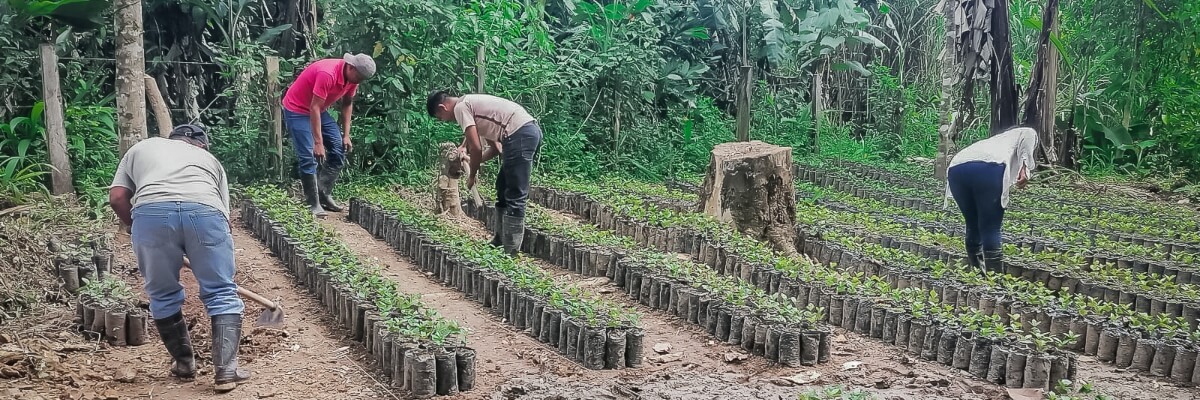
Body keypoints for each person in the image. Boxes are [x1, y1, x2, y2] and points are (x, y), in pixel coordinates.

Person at [108, 124, 249, 393]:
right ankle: (226, 372)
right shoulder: (211, 161)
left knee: (161, 294)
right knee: (221, 291)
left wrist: (135, 226)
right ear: (201, 145)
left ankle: (184, 364)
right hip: (205, 211)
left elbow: (117, 198)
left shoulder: (141, 147)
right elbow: (224, 219)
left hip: (151, 214)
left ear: (171, 139)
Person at [426, 91, 543, 254]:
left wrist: (472, 176)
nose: (443, 121)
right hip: (524, 132)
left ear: (442, 107)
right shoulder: (472, 107)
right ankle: (500, 240)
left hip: (519, 134)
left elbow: (477, 148)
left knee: (515, 193)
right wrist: (471, 158)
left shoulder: (461, 107)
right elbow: (495, 149)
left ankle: (511, 251)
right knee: (502, 186)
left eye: (440, 117)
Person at [282, 53, 376, 216]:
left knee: (339, 147)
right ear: (351, 67)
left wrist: (346, 135)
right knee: (308, 156)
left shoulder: (352, 78)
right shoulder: (328, 74)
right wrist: (318, 143)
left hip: (318, 109)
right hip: (297, 109)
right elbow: (314, 108)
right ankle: (312, 203)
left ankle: (323, 193)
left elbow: (347, 104)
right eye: (359, 77)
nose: (359, 82)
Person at [944, 127, 1038, 274]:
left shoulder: (993, 142)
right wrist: (1024, 168)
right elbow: (1029, 134)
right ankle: (995, 282)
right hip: (989, 167)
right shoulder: (1024, 132)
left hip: (956, 168)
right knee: (990, 228)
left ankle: (977, 274)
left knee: (973, 224)